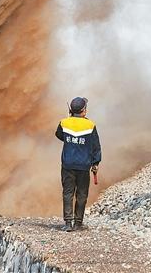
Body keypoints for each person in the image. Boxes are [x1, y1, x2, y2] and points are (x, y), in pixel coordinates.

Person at [55, 96, 101, 232]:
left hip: (68, 164)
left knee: (68, 192)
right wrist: (96, 163)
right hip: (83, 165)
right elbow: (96, 146)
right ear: (83, 110)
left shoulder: (64, 123)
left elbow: (59, 135)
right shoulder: (90, 125)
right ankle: (78, 223)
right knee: (81, 194)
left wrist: (70, 136)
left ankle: (68, 223)